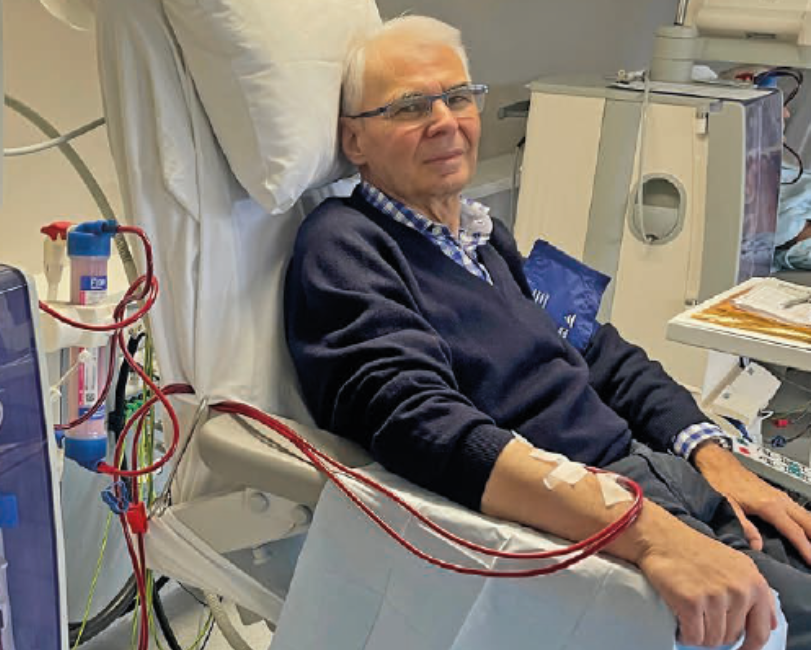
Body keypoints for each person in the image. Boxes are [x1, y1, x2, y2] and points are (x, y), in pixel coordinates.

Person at [283, 15, 811, 650]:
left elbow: (604, 355)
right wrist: (645, 532)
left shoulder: (484, 241)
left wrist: (712, 453)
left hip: (662, 475)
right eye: (410, 107)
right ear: (355, 140)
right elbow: (422, 424)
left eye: (457, 97)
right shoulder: (344, 244)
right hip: (589, 519)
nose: (445, 121)